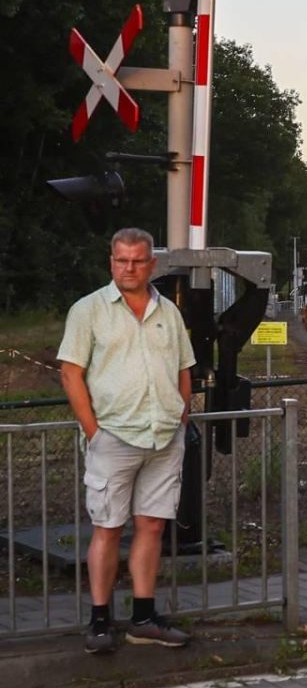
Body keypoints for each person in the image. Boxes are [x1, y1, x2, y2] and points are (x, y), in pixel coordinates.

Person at [58, 228, 196, 653]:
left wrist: (180, 415)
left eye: (137, 260)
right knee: (107, 528)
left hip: (162, 437)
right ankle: (100, 621)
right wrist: (93, 432)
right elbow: (70, 372)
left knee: (151, 526)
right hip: (113, 437)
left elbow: (183, 369)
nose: (129, 268)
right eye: (121, 260)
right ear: (110, 261)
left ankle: (143, 617)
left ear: (151, 264)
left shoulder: (168, 313)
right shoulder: (89, 311)